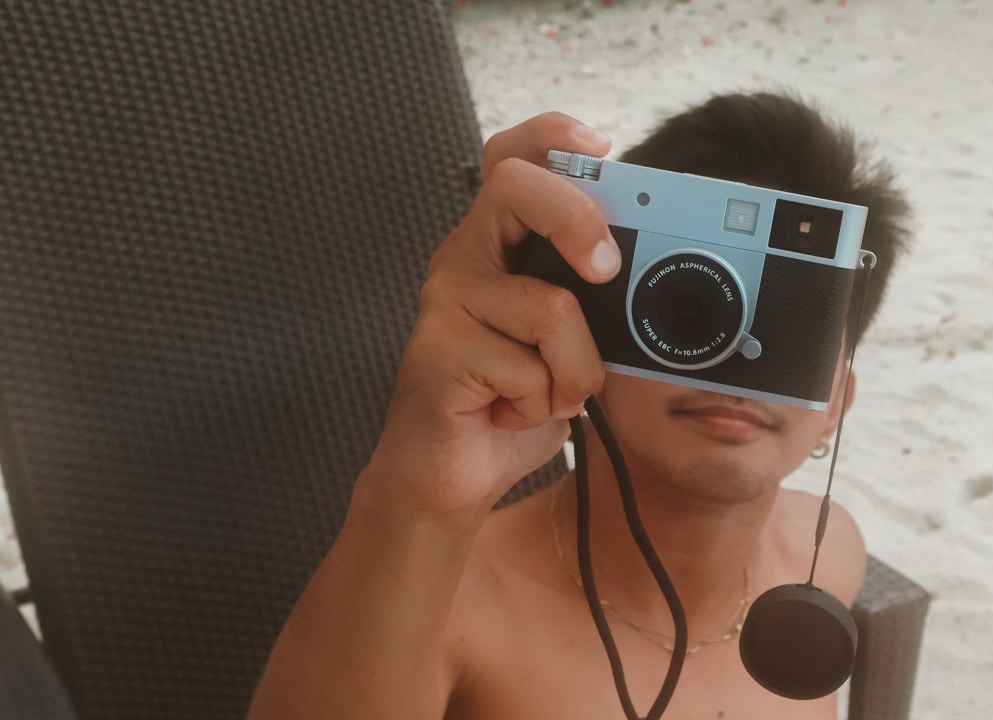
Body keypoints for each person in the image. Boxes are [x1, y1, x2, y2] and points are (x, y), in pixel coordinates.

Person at [247, 92, 909, 720]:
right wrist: (419, 505)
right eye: (692, 308)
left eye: (785, 332)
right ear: (592, 322)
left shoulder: (828, 554)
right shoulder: (449, 605)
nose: (734, 366)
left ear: (837, 403)